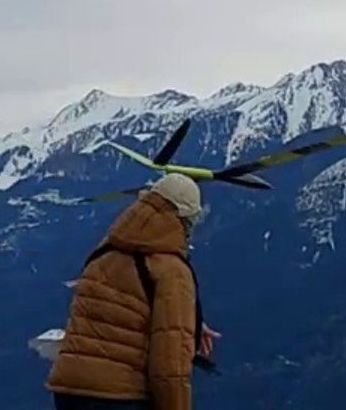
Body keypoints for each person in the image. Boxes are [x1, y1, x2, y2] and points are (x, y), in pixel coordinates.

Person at [46, 173, 220, 410]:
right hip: (119, 396)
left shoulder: (105, 251)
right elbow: (170, 368)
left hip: (69, 390)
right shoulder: (171, 269)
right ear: (186, 219)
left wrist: (191, 321)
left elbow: (122, 309)